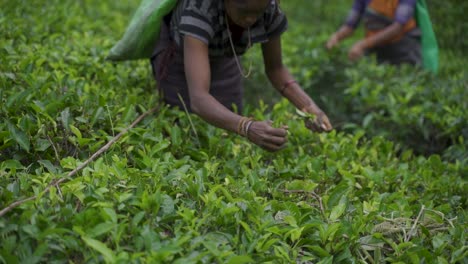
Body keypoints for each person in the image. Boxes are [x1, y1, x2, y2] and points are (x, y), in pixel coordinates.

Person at [151, 0, 333, 152]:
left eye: (257, 13)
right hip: (180, 56)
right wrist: (247, 127)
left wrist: (310, 108)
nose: (250, 19)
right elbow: (199, 99)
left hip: (224, 56)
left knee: (226, 131)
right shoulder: (200, 9)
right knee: (181, 128)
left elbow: (276, 69)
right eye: (244, 12)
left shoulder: (270, 10)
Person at [326, 0, 422, 66]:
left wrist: (363, 44)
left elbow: (398, 27)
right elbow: (350, 25)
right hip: (377, 48)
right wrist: (336, 37)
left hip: (403, 48)